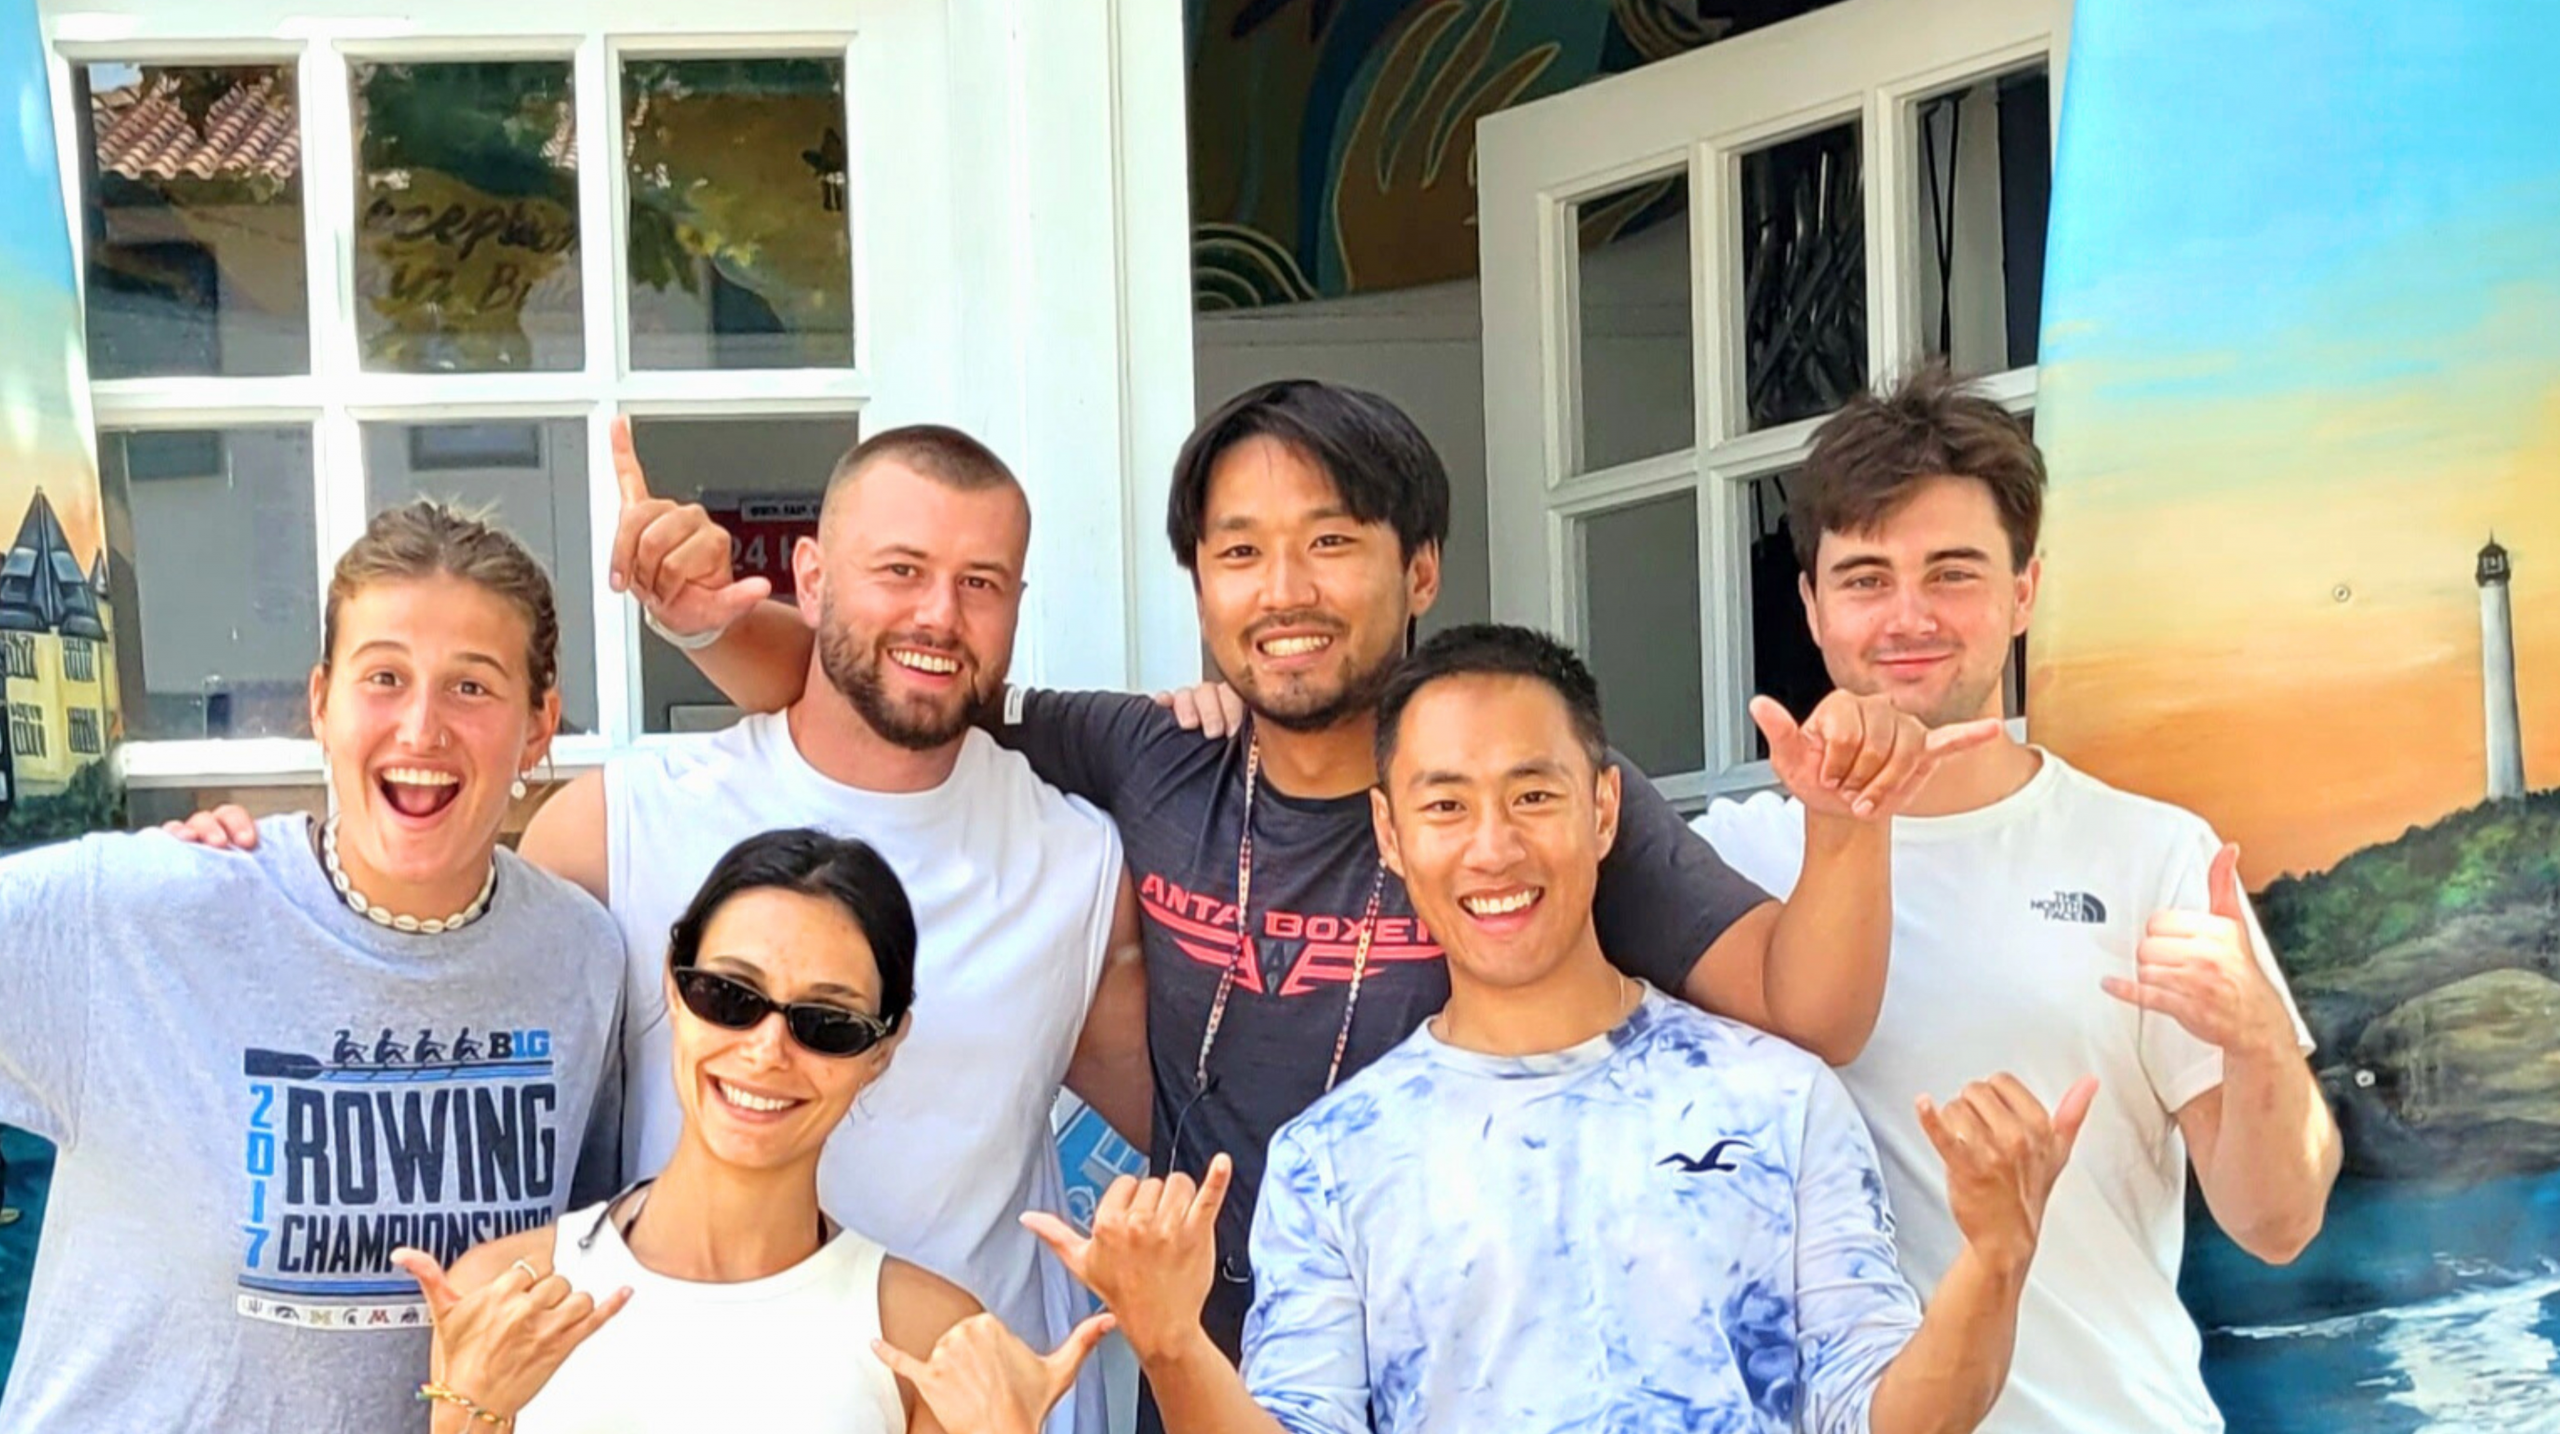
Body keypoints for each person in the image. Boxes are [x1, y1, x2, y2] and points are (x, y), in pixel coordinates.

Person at [626, 380, 1994, 1383]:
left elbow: (1805, 1010)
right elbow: (904, 686)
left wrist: (1846, 827)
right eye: (1239, 551)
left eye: (1332, 541)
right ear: (1201, 585)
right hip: (1207, 1376)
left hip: (1476, 1368)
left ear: (1420, 568)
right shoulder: (1150, 756)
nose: (1284, 588)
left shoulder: (1518, 790)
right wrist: (707, 623)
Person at [167, 425, 1142, 1433]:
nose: (939, 612)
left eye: (982, 583)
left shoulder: (1077, 864)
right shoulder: (622, 825)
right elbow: (420, 956)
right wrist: (251, 878)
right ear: (811, 578)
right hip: (632, 1372)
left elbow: (1200, 1121)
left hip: (964, 1398)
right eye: (901, 569)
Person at [1027, 623, 2089, 1433]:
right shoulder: (1331, 1159)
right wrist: (1172, 1343)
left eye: (1532, 795)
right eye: (1445, 806)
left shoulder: (1775, 1096)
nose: (1492, 848)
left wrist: (1996, 1258)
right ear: (1390, 833)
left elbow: (1888, 1416)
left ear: (1604, 809)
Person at [1690, 365, 2340, 1433]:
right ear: (1809, 605)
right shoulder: (1731, 863)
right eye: (1864, 578)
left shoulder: (2149, 852)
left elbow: (2278, 1225)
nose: (1908, 616)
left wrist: (2262, 1041)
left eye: (1953, 573)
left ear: (2025, 591)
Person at [0, 502, 625, 1431]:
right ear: (322, 704)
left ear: (540, 727)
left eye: (471, 686)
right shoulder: (140, 910)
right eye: (385, 677)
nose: (422, 727)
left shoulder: (580, 957)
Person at [395, 828, 1112, 1434]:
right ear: (675, 987)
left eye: (826, 1023)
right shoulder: (507, 1294)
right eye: (730, 996)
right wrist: (469, 1415)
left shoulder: (925, 1337)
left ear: (882, 1050)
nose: (767, 1050)